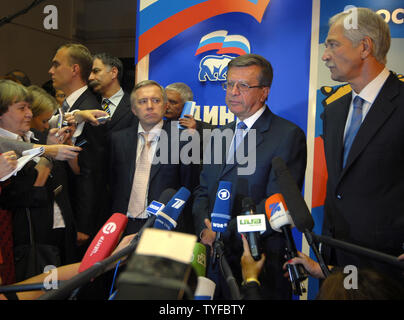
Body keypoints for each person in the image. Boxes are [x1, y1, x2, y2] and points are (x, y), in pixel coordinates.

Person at [192, 54, 307, 299]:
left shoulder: (287, 135)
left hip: (258, 262)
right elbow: (202, 191)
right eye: (229, 84)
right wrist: (205, 231)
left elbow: (276, 206)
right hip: (214, 264)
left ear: (264, 92)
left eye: (243, 86)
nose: (233, 92)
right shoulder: (219, 134)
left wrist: (222, 232)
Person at [320, 7, 404, 281]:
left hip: (389, 270)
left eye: (333, 45)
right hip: (337, 266)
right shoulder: (332, 112)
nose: (325, 56)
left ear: (365, 47)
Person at [109, 80, 198, 235]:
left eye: (156, 100)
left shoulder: (182, 140)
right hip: (123, 225)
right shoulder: (118, 140)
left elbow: (189, 188)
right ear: (134, 109)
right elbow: (110, 185)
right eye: (142, 101)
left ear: (165, 106)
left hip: (164, 227)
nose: (149, 106)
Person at [48, 43, 109, 252]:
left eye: (56, 65)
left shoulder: (91, 111)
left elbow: (91, 172)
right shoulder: (70, 108)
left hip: (78, 217)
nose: (50, 71)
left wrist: (83, 224)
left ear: (75, 69)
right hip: (62, 212)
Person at [88, 52, 135, 134]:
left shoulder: (134, 105)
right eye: (90, 73)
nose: (90, 78)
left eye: (96, 71)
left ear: (113, 72)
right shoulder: (89, 104)